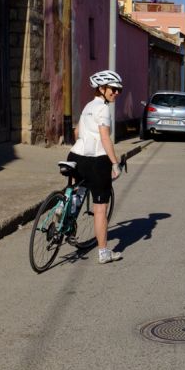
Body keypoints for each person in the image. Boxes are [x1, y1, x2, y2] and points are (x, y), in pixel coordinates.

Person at [69, 70, 124, 264]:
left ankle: (63, 215)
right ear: (101, 88)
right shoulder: (103, 109)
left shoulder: (88, 106)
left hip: (76, 156)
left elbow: (77, 131)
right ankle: (104, 253)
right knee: (100, 208)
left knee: (77, 191)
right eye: (113, 89)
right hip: (96, 161)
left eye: (119, 90)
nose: (116, 93)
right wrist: (115, 164)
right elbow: (104, 137)